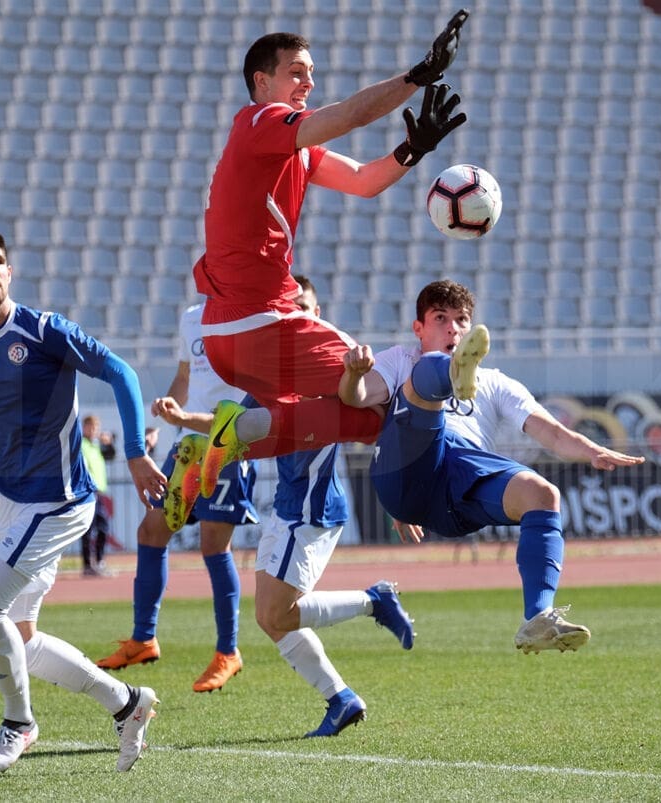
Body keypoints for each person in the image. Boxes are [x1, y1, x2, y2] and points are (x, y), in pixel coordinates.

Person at [165, 11, 472, 529]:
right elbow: (348, 115)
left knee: (364, 417)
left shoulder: (294, 149)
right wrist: (417, 76)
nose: (308, 81)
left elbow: (364, 181)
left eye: (311, 72)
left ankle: (217, 447)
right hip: (259, 322)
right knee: (381, 393)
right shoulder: (260, 122)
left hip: (229, 332)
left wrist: (412, 150)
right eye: (296, 71)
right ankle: (229, 438)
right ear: (263, 83)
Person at [0, 229, 166, 775]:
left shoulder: (44, 330)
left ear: (10, 270)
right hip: (14, 502)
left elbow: (122, 372)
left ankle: (19, 723)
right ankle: (126, 703)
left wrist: (137, 453)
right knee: (19, 638)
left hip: (60, 500)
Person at [154, 276, 418, 737]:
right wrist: (187, 427)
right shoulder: (277, 375)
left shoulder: (338, 377)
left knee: (277, 613)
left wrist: (400, 501)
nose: (301, 313)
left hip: (312, 511)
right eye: (293, 307)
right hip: (287, 507)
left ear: (319, 315)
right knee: (269, 618)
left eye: (307, 307)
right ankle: (340, 699)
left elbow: (378, 435)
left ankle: (372, 602)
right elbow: (233, 425)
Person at [338, 280, 646, 653]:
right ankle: (446, 376)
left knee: (543, 495)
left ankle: (537, 618)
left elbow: (551, 433)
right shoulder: (401, 359)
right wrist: (354, 372)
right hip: (402, 474)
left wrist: (593, 450)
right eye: (440, 318)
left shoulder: (496, 383)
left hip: (457, 488)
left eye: (461, 320)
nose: (453, 327)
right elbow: (353, 397)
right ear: (418, 328)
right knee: (426, 374)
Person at [96, 300, 259, 694]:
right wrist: (166, 415)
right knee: (151, 531)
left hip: (227, 444)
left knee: (213, 546)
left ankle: (227, 652)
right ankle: (143, 639)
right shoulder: (190, 317)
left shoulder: (247, 312)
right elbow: (186, 377)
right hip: (186, 444)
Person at [79, 414, 116, 577]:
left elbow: (111, 456)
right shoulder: (81, 444)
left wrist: (109, 444)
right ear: (85, 427)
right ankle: (88, 565)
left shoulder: (96, 446)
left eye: (96, 428)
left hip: (99, 492)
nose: (94, 431)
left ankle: (99, 561)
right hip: (87, 491)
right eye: (91, 427)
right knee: (87, 529)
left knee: (103, 527)